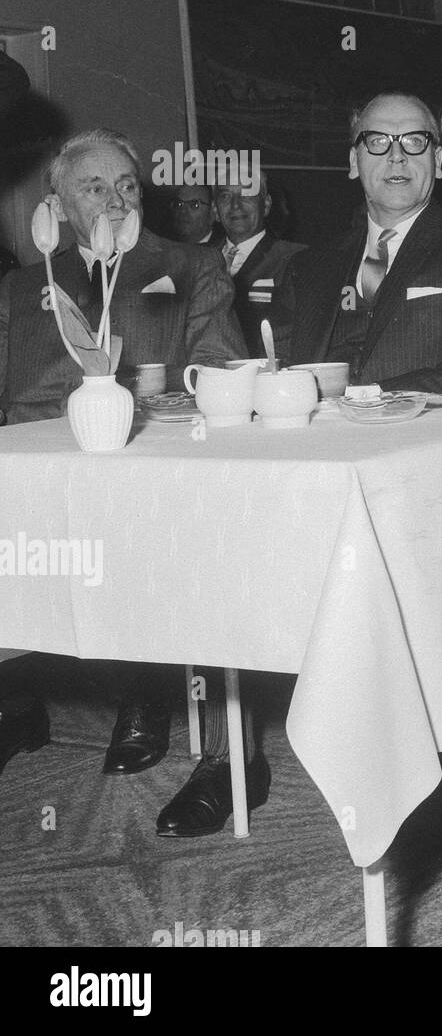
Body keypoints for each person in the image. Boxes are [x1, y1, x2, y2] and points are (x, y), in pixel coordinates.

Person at [0, 129, 250, 835]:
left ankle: (147, 691)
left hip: (142, 477)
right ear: (55, 206)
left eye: (128, 186)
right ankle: (15, 705)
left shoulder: (187, 265)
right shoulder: (23, 284)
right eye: (94, 188)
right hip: (29, 479)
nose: (115, 200)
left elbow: (219, 374)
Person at [273, 92, 442, 395]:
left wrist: (367, 396)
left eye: (415, 141)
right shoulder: (307, 266)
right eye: (377, 141)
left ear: (438, 161)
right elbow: (276, 368)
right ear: (353, 162)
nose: (396, 156)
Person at [212, 172, 305, 356]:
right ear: (215, 209)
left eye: (247, 194)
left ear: (267, 205)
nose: (235, 205)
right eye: (225, 196)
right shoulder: (197, 261)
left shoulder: (296, 258)